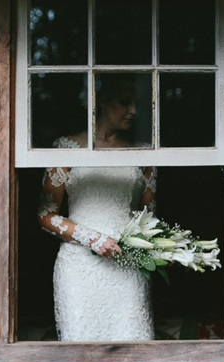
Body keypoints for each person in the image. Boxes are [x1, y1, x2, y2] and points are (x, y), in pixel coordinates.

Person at [37, 75, 156, 341]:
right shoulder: (66, 147)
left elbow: (148, 217)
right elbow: (45, 214)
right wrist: (92, 238)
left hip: (129, 266)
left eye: (138, 104)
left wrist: (159, 247)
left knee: (133, 344)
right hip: (79, 268)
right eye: (125, 102)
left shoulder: (146, 153)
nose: (133, 111)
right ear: (101, 101)